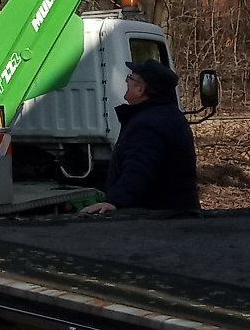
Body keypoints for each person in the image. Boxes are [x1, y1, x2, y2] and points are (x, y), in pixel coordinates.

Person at [81, 59, 200, 215]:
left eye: (130, 77)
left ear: (140, 90)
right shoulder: (168, 115)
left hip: (158, 221)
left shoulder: (148, 125)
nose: (126, 80)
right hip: (177, 216)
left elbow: (139, 170)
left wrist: (115, 201)